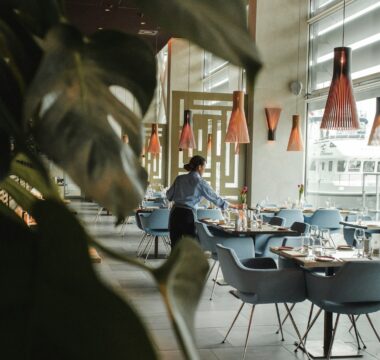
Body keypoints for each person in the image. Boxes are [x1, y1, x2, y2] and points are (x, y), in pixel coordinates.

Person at [166, 155, 239, 248]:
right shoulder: (200, 182)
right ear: (199, 167)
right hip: (188, 216)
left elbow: (169, 196)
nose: (204, 170)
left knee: (175, 247)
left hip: (175, 214)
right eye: (204, 168)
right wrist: (232, 206)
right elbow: (214, 198)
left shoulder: (179, 178)